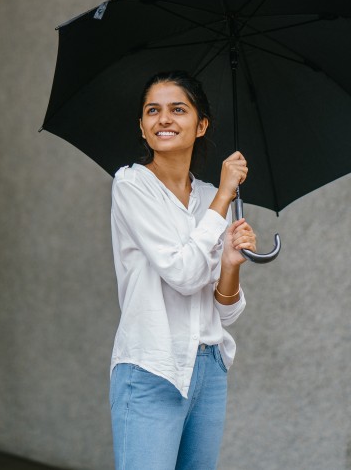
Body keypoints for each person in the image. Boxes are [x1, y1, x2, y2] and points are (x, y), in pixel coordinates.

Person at [109, 71, 257, 469]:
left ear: (201, 124)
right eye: (152, 111)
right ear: (141, 126)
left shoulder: (209, 196)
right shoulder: (131, 185)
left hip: (208, 368)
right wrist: (226, 195)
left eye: (178, 109)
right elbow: (184, 273)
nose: (164, 119)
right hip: (152, 365)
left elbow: (226, 311)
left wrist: (229, 264)